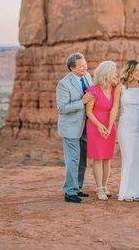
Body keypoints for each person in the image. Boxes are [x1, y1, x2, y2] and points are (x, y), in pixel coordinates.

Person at [56, 52, 94, 203]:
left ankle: (77, 187)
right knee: (73, 159)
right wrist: (82, 102)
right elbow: (62, 108)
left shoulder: (88, 76)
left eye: (85, 64)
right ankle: (69, 192)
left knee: (82, 159)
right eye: (82, 66)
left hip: (86, 126)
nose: (85, 67)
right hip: (71, 128)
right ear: (72, 68)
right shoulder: (64, 84)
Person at [108, 60, 139, 202]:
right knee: (129, 158)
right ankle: (127, 191)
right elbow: (114, 108)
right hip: (125, 128)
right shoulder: (121, 87)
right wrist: (109, 125)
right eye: (136, 70)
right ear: (129, 71)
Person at [86, 61, 118, 201]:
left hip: (110, 125)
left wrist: (109, 127)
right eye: (114, 72)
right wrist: (99, 125)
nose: (116, 75)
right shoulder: (93, 90)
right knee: (98, 158)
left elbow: (114, 109)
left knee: (107, 159)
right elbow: (89, 112)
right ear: (107, 74)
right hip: (95, 126)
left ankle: (105, 186)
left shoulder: (114, 89)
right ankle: (99, 188)